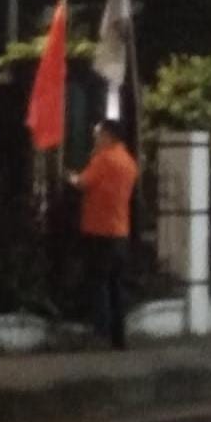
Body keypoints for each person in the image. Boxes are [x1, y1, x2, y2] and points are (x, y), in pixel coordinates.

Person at [68, 120, 139, 350]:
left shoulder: (104, 159)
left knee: (98, 284)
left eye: (98, 134)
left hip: (99, 230)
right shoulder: (128, 161)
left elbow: (83, 182)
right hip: (121, 231)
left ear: (108, 136)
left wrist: (71, 177)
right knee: (117, 286)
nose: (95, 138)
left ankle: (101, 334)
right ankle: (119, 337)